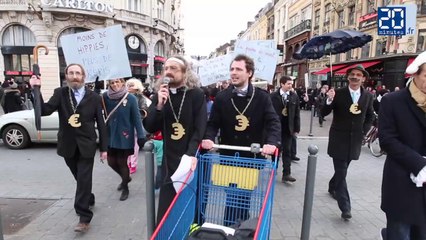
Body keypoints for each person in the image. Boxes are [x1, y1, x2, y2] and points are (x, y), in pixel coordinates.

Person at [202, 54, 280, 226]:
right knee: (232, 195)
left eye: (238, 69)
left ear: (249, 73)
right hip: (228, 155)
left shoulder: (262, 97)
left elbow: (273, 122)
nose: (233, 73)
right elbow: (213, 123)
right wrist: (208, 138)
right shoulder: (222, 97)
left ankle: (235, 229)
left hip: (250, 157)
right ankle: (238, 230)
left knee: (242, 196)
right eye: (231, 69)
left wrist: (271, 143)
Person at [29, 63, 108, 233]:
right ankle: (89, 197)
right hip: (68, 145)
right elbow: (44, 111)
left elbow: (101, 124)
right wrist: (37, 90)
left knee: (84, 179)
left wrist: (104, 148)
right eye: (71, 73)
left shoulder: (94, 97)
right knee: (80, 178)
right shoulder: (60, 93)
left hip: (87, 144)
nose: (74, 76)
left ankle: (84, 217)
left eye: (77, 73)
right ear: (66, 76)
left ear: (83, 76)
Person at [143, 55, 207, 224]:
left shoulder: (196, 94)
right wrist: (159, 106)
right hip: (168, 159)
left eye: (173, 69)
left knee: (189, 204)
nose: (168, 72)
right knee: (166, 210)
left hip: (190, 158)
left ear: (185, 73)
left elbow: (200, 128)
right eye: (166, 68)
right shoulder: (160, 95)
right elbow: (150, 127)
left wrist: (190, 154)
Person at [379, 53, 426, 239]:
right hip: (401, 183)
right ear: (415, 73)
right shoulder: (393, 101)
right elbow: (387, 140)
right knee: (400, 234)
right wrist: (419, 164)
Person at [321, 65, 375, 220]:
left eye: (359, 75)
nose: (355, 77)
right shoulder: (338, 93)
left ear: (363, 78)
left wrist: (365, 131)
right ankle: (345, 207)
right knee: (342, 172)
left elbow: (370, 116)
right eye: (352, 74)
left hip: (355, 140)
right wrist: (329, 100)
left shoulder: (368, 96)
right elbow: (323, 112)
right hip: (338, 139)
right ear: (348, 77)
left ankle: (333, 186)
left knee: (341, 171)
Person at [102, 78, 146, 201]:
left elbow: (137, 118)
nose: (115, 84)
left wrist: (141, 136)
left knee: (122, 162)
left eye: (117, 82)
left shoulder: (130, 98)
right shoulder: (105, 97)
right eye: (112, 83)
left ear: (122, 82)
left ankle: (125, 186)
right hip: (110, 135)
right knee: (111, 162)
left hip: (124, 135)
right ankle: (126, 177)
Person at [271, 76, 300, 183]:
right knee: (276, 151)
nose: (290, 86)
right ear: (282, 84)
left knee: (287, 151)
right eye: (288, 83)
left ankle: (287, 173)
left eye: (291, 84)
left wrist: (297, 128)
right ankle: (274, 169)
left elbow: (297, 113)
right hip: (276, 128)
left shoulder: (294, 96)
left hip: (288, 128)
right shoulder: (273, 96)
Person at [126, 78, 151, 174]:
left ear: (137, 87)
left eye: (131, 85)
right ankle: (127, 162)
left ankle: (133, 164)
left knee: (134, 146)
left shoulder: (140, 98)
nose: (129, 87)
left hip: (136, 125)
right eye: (128, 85)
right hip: (125, 124)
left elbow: (144, 111)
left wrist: (135, 113)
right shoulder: (124, 96)